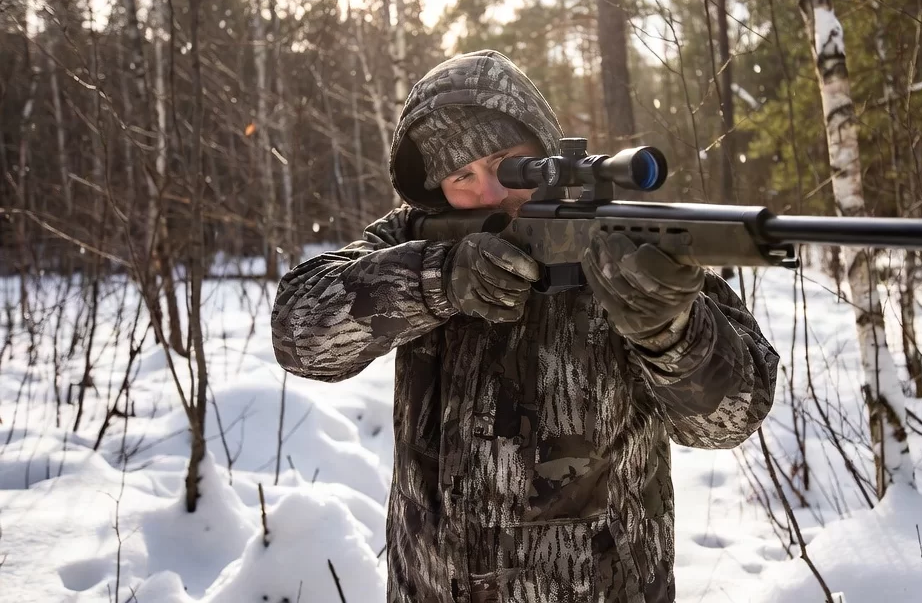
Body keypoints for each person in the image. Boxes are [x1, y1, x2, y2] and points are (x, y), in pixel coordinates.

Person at [271, 50, 778, 603]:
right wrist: (436, 280)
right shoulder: (416, 242)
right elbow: (300, 339)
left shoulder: (621, 239)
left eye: (510, 163)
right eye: (461, 176)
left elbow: (728, 421)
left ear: (546, 150)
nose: (490, 193)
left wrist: (669, 328)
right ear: (434, 191)